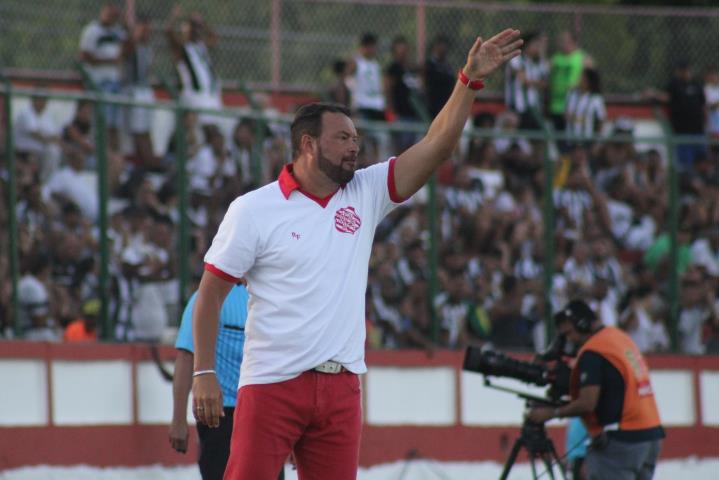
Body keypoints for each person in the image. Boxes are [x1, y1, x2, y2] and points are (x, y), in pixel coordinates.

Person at [191, 28, 522, 479]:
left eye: (355, 139)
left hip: (342, 386)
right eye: (343, 138)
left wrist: (468, 81)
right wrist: (203, 372)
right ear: (308, 144)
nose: (355, 147)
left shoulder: (365, 191)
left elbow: (436, 145)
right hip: (271, 383)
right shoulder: (253, 209)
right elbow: (209, 295)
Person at [528, 299, 665, 480]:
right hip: (650, 434)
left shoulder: (593, 351)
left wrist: (552, 413)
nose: (569, 340)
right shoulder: (619, 338)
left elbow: (587, 402)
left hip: (623, 439)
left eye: (569, 333)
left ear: (583, 324)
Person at [170, 284, 284, 480]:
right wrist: (178, 419)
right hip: (220, 415)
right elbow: (186, 356)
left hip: (265, 415)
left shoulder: (271, 297)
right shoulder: (207, 297)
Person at [79, 3, 127, 150]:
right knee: (102, 124)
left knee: (114, 126)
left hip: (115, 84)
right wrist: (110, 62)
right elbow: (84, 56)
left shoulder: (118, 33)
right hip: (100, 84)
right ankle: (104, 159)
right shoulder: (92, 31)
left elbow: (127, 50)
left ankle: (116, 161)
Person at [166, 6, 222, 130]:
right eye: (191, 28)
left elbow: (215, 38)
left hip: (211, 95)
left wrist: (202, 22)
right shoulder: (183, 49)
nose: (194, 31)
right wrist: (175, 16)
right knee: (206, 130)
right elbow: (169, 32)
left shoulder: (201, 47)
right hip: (195, 95)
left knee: (215, 130)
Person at [123, 15, 159, 169]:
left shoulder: (148, 48)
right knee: (138, 129)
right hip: (134, 90)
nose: (146, 34)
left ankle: (150, 159)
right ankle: (146, 161)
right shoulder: (132, 46)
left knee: (147, 128)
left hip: (146, 90)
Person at [548, 31, 591, 133]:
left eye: (566, 41)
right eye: (562, 41)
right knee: (558, 135)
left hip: (573, 104)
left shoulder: (582, 58)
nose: (563, 44)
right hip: (556, 105)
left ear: (574, 42)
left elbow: (591, 77)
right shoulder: (556, 58)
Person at [504, 31, 549, 130]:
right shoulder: (517, 59)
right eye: (536, 44)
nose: (538, 48)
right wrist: (538, 83)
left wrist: (542, 55)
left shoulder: (537, 63)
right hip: (518, 109)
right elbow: (525, 81)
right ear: (527, 45)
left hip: (534, 108)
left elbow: (546, 83)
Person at [424, 35, 455, 118]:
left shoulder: (448, 66)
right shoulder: (430, 65)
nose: (443, 49)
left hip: (446, 104)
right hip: (434, 105)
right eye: (441, 45)